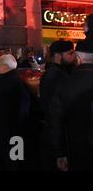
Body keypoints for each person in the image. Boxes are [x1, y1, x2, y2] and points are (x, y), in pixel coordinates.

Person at [49, 40, 93, 171]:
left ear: (78, 58)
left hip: (77, 149)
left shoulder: (65, 83)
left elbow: (55, 121)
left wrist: (60, 153)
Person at [39, 40, 75, 170]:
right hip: (56, 136)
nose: (74, 56)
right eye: (70, 53)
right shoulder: (58, 76)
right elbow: (55, 113)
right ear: (59, 56)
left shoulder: (53, 73)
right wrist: (60, 151)